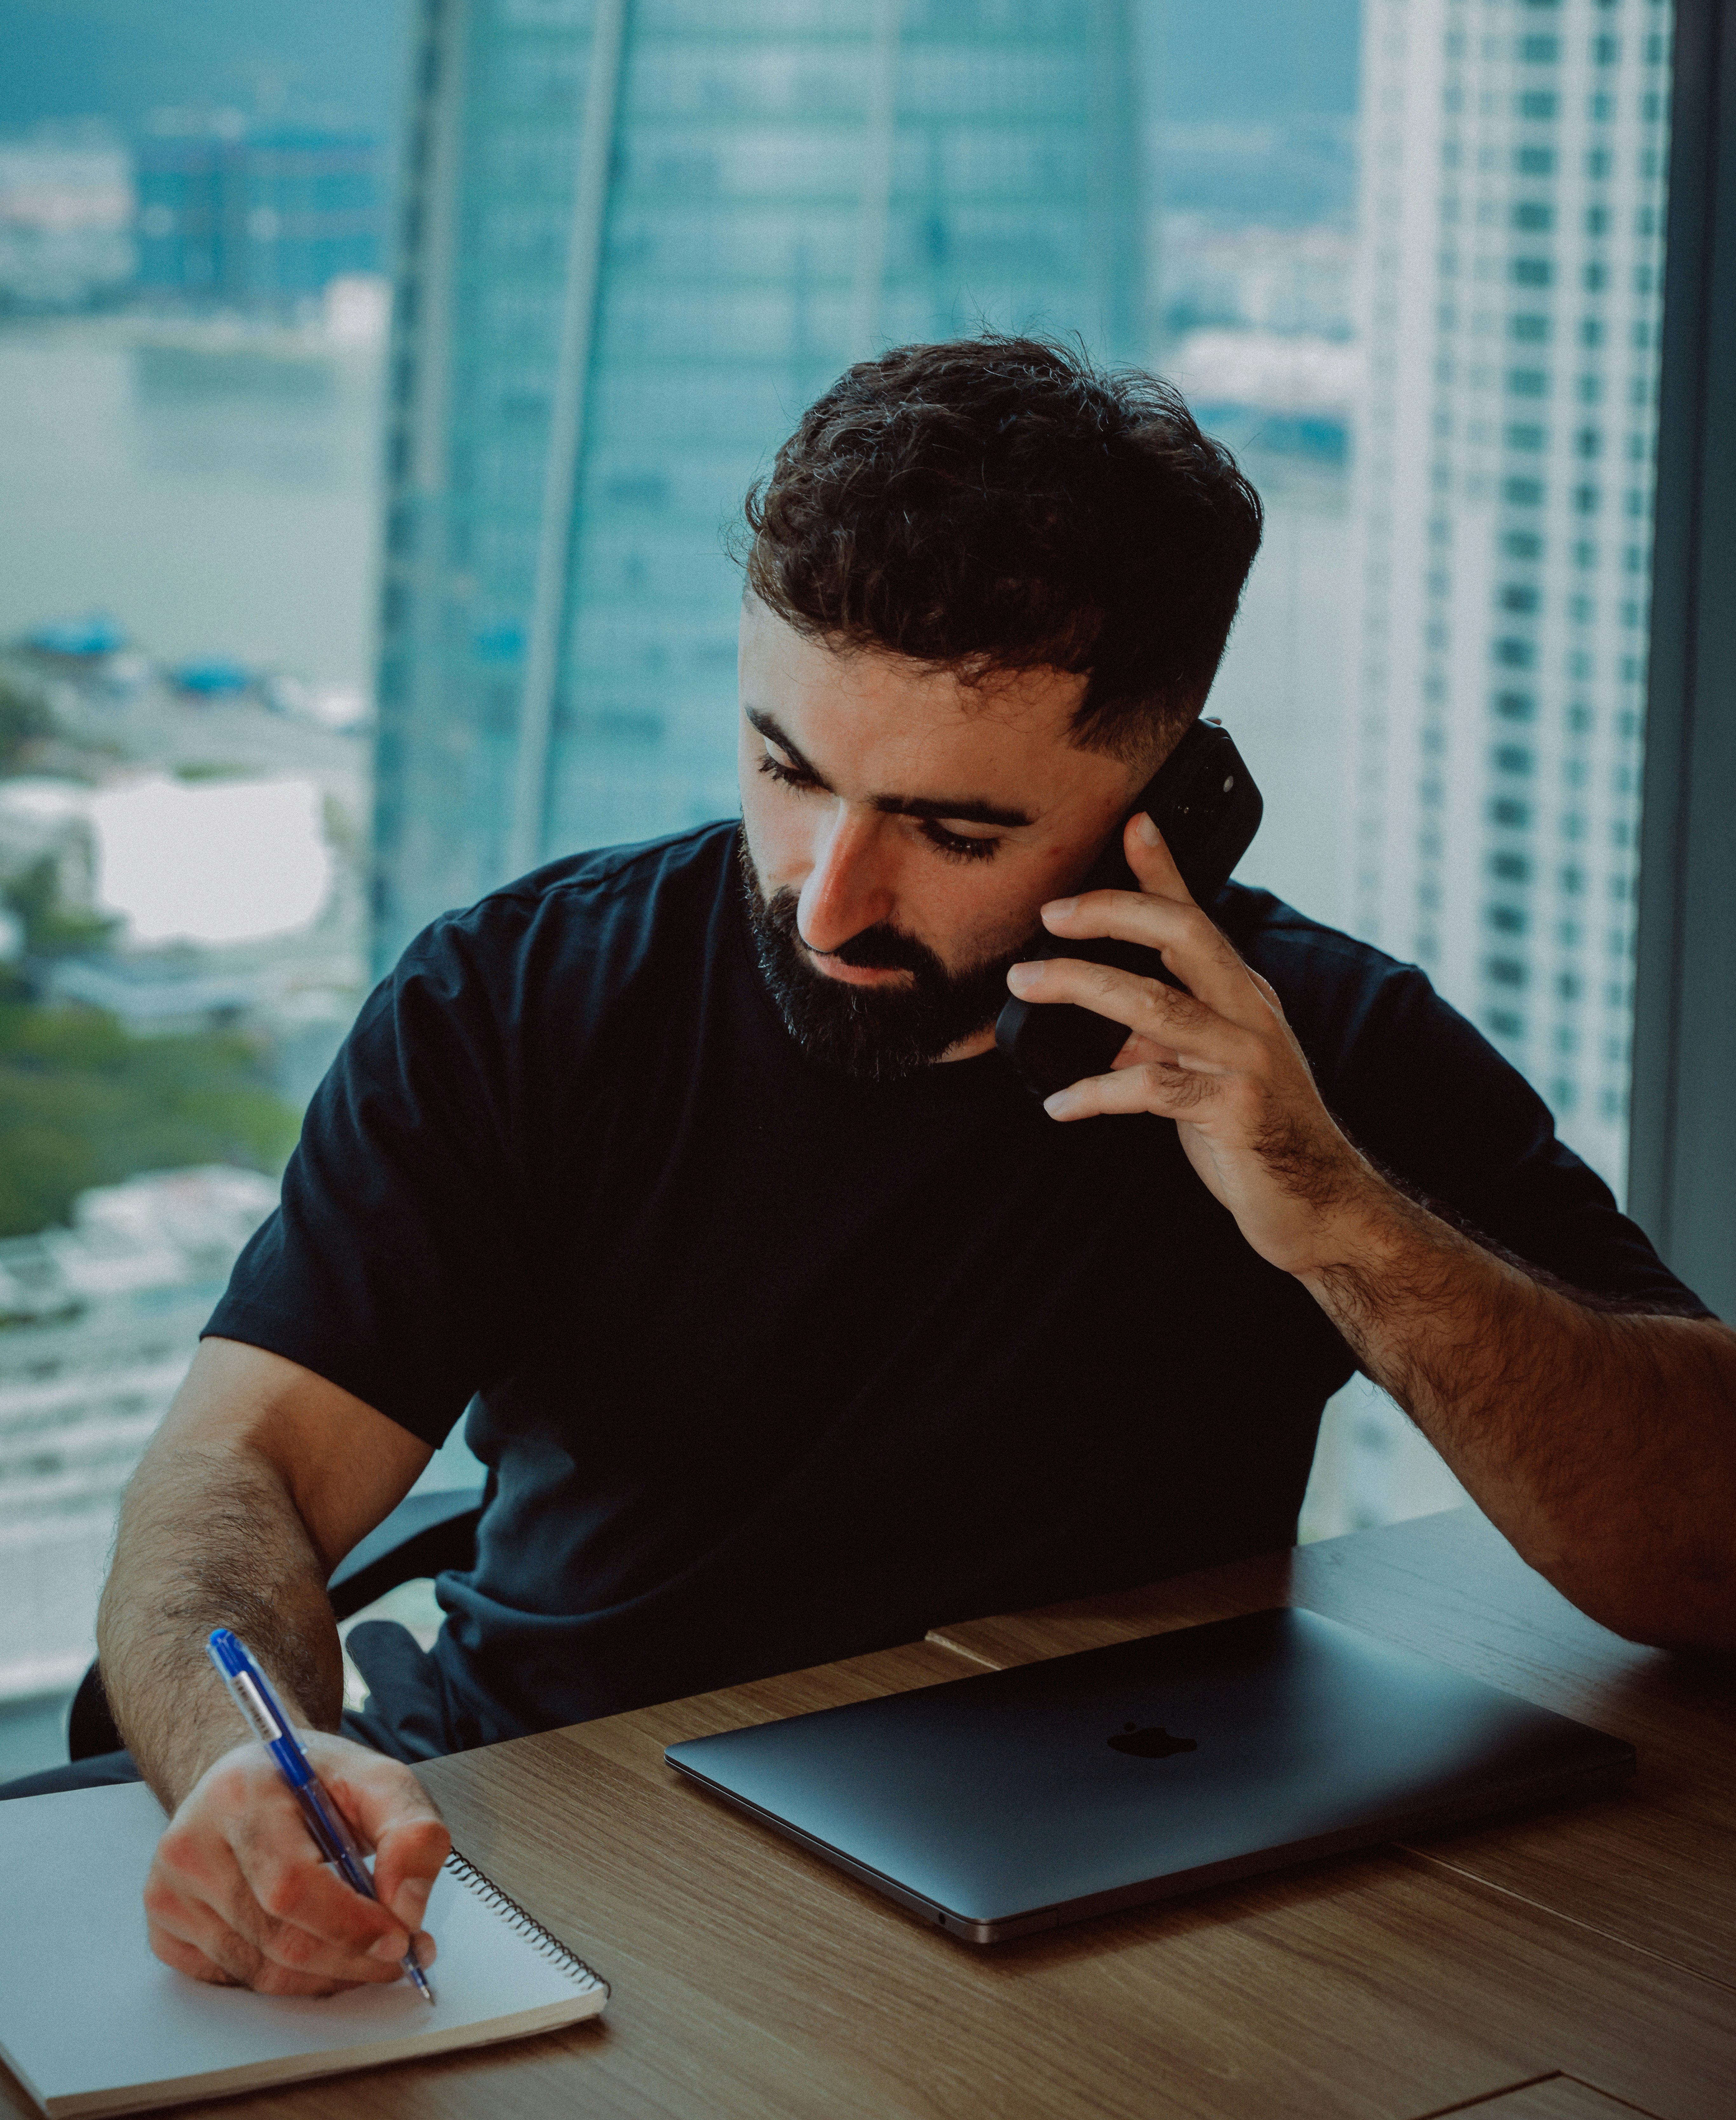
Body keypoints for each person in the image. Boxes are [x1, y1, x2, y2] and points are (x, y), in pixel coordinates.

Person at [10, 337, 1730, 2003]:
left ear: (1167, 795)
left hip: (1095, 1909)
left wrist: (1344, 1221)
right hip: (558, 1856)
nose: (825, 898)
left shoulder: (1309, 1061)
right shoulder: (521, 998)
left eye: (955, 830)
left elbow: (1700, 1556)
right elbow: (233, 1474)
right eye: (785, 769)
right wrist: (256, 1760)